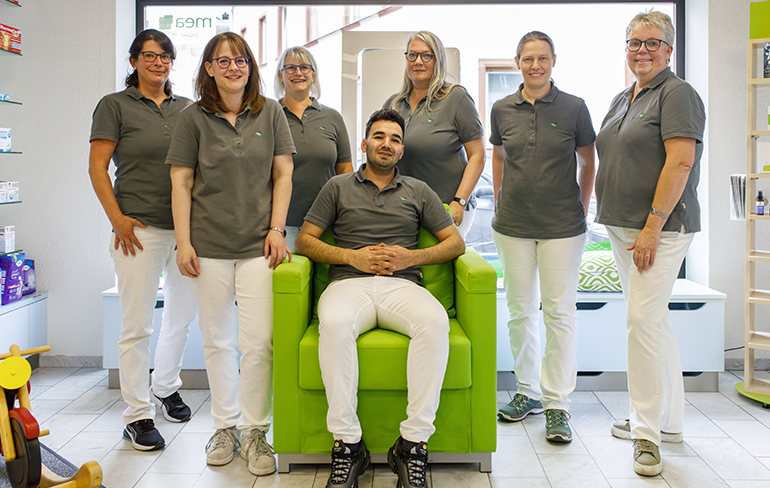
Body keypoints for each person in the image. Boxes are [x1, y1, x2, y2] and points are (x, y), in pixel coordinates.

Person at [295, 109, 465, 488]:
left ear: (401, 150)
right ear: (364, 143)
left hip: (401, 286)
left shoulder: (418, 190)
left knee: (434, 322)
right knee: (335, 324)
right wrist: (350, 257)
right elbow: (304, 241)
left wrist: (411, 258)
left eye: (394, 139)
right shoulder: (337, 187)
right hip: (348, 284)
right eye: (379, 136)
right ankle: (348, 445)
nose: (386, 144)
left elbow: (456, 243)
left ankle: (412, 444)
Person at [166, 32, 295, 476]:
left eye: (240, 60)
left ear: (251, 67)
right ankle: (225, 427)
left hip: (259, 247)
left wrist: (277, 229)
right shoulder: (192, 118)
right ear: (209, 68)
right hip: (208, 247)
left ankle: (255, 431)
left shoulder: (271, 112)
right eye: (223, 61)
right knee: (217, 341)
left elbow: (283, 174)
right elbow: (181, 182)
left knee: (258, 343)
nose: (233, 67)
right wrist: (184, 242)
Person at [594, 10, 705, 476]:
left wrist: (653, 226)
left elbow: (680, 163)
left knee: (640, 322)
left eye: (652, 42)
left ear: (669, 49)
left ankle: (646, 435)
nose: (642, 50)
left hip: (659, 229)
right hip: (623, 227)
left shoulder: (677, 94)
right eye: (634, 43)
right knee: (654, 320)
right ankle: (668, 421)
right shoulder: (626, 96)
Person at [88, 29, 196, 452]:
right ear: (133, 61)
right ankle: (137, 414)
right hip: (138, 231)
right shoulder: (114, 105)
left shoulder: (186, 108)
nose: (158, 62)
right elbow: (98, 167)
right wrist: (116, 220)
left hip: (186, 231)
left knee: (181, 318)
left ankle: (165, 387)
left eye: (165, 56)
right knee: (137, 325)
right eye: (149, 55)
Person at [491, 31, 596, 444]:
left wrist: (581, 208)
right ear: (517, 62)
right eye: (528, 58)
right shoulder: (502, 108)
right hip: (513, 225)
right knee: (519, 311)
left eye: (543, 58)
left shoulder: (574, 107)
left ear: (554, 61)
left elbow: (588, 161)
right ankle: (527, 391)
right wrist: (499, 200)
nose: (535, 66)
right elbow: (499, 155)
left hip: (562, 227)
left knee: (559, 313)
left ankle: (557, 404)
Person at [383, 31, 485, 238]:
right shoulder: (393, 104)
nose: (418, 61)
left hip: (447, 207)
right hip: (404, 208)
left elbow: (478, 155)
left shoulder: (456, 98)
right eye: (412, 55)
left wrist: (460, 201)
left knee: (440, 259)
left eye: (426, 55)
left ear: (438, 60)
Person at [274, 46, 353, 249]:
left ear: (313, 75)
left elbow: (345, 170)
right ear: (281, 75)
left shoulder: (333, 117)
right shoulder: (270, 116)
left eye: (304, 67)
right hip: (282, 226)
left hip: (326, 223)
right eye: (290, 68)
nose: (298, 73)